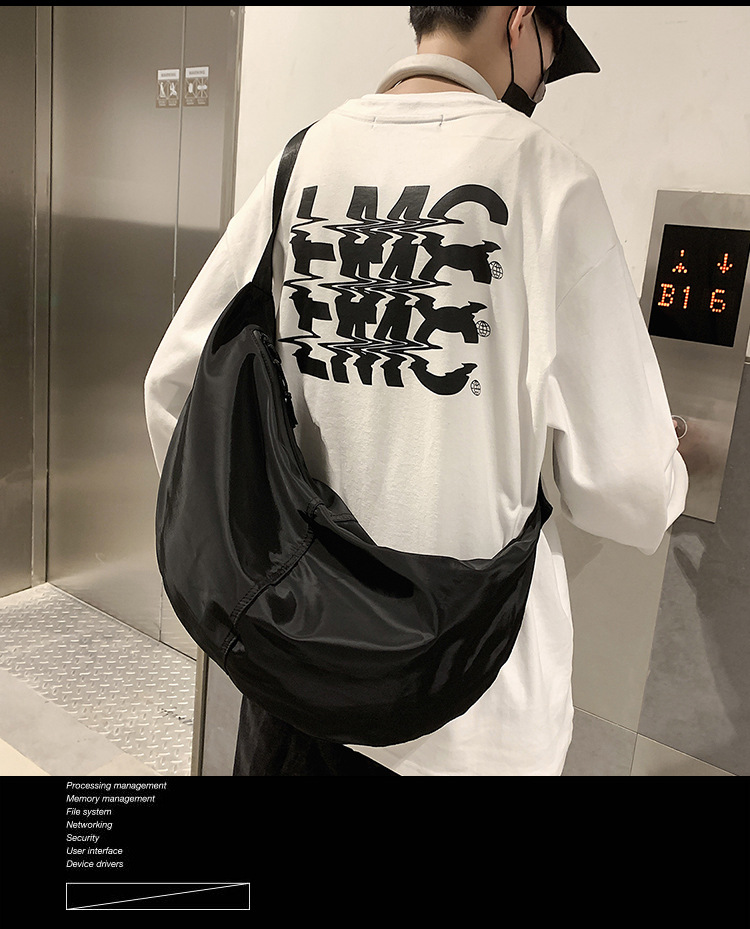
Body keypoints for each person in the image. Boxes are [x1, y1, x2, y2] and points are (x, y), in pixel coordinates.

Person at [144, 6, 688, 776]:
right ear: (519, 20)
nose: (542, 83)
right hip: (472, 715)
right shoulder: (550, 181)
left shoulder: (303, 163)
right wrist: (667, 467)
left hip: (296, 688)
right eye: (550, 53)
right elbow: (629, 485)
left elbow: (175, 389)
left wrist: (275, 555)